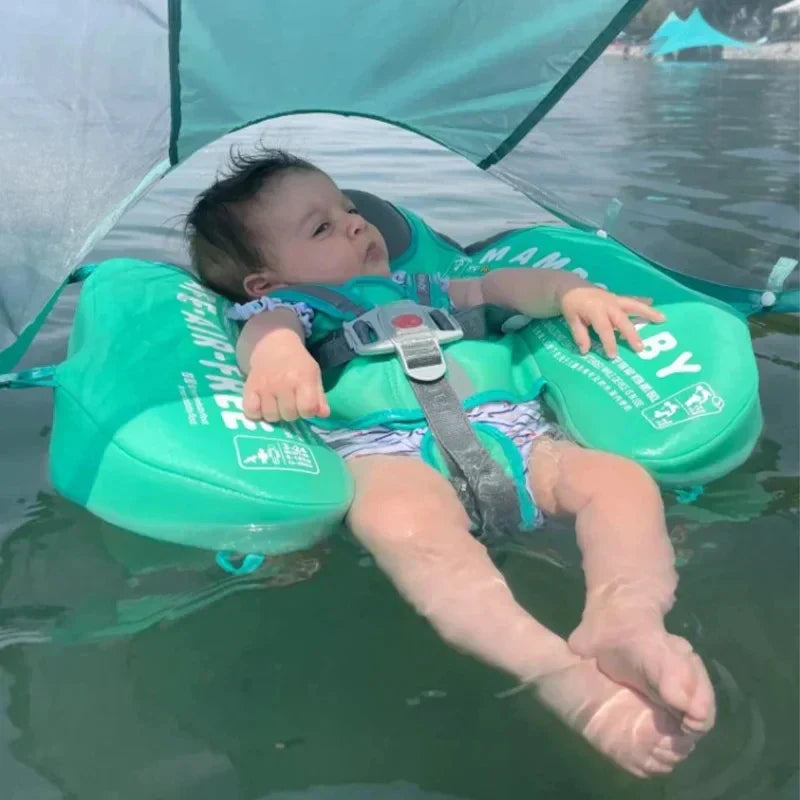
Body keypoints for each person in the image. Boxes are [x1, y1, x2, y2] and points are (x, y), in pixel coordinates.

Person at [185, 147, 715, 778]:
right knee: (398, 521)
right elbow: (263, 338)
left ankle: (626, 620)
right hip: (391, 453)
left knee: (619, 483)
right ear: (267, 282)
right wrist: (280, 361)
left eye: (349, 210)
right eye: (322, 227)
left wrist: (569, 293)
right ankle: (556, 674)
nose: (356, 223)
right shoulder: (291, 311)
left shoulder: (421, 286)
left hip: (517, 435)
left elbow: (498, 288)